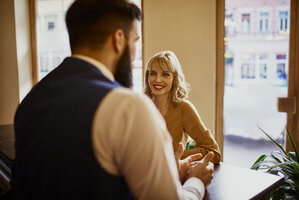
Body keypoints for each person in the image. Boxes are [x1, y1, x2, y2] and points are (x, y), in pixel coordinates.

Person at [14, 0, 215, 200]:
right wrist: (196, 181)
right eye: (135, 41)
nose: (135, 53)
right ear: (118, 39)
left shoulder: (30, 101)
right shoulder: (128, 107)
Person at [144, 51, 221, 163]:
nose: (157, 80)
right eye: (153, 73)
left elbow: (213, 152)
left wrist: (174, 156)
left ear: (174, 78)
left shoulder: (184, 108)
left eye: (165, 74)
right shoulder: (143, 105)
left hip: (173, 177)